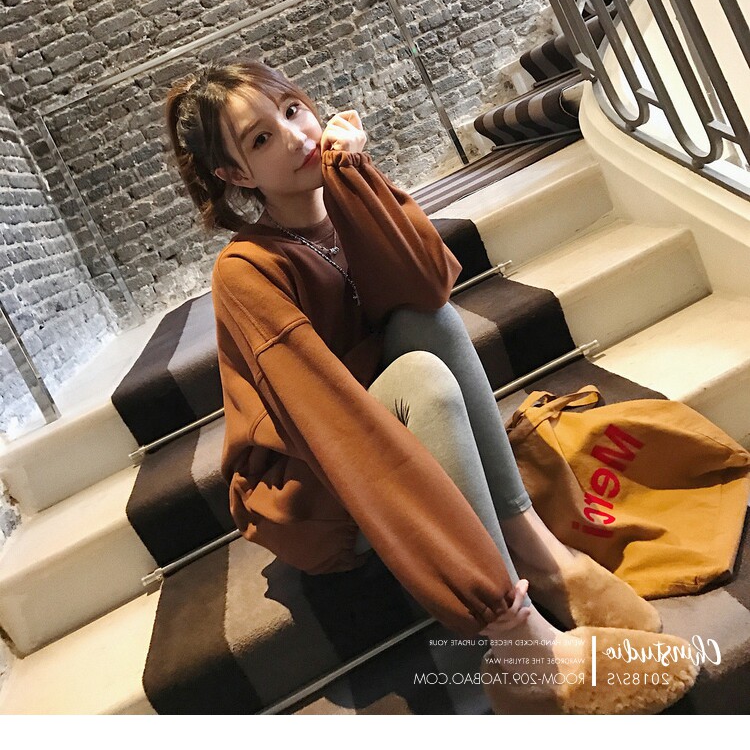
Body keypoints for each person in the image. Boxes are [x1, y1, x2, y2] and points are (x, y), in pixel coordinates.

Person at [166, 59, 699, 714]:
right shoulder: (244, 271)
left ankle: (541, 554)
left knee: (427, 321)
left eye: (292, 110)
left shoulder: (345, 198)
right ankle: (518, 638)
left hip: (389, 419)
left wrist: (357, 180)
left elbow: (425, 286)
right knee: (420, 376)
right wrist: (474, 593)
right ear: (236, 175)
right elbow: (328, 422)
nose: (297, 136)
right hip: (323, 483)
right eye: (261, 139)